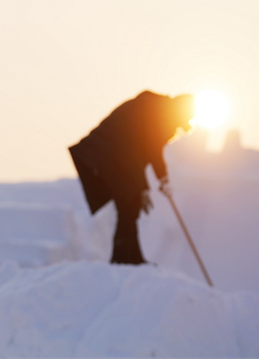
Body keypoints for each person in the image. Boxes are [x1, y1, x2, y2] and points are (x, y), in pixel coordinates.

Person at [68, 91, 195, 265]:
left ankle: (131, 258)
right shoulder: (160, 113)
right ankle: (122, 260)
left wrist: (143, 188)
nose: (179, 127)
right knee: (127, 205)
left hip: (115, 157)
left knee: (130, 204)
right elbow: (151, 150)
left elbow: (139, 154)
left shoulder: (157, 109)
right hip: (106, 155)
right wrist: (163, 179)